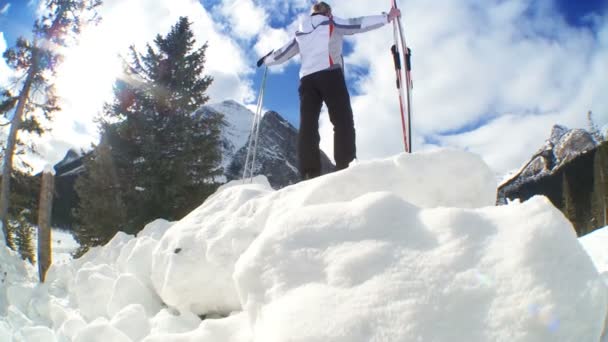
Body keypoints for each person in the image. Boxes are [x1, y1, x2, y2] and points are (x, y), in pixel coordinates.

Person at [257, 2, 401, 180]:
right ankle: (345, 165)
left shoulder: (300, 32)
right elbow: (356, 23)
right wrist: (386, 17)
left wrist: (266, 60)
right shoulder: (331, 22)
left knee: (308, 125)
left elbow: (283, 52)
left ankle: (309, 172)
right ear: (328, 12)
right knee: (342, 120)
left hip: (307, 81)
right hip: (330, 74)